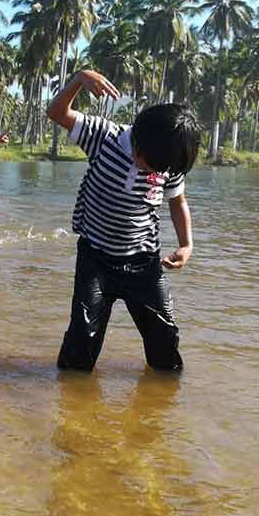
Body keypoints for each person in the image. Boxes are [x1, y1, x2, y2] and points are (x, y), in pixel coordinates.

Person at [46, 69, 201, 372]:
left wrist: (186, 244)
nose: (151, 170)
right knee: (81, 345)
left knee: (165, 343)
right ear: (138, 140)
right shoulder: (105, 137)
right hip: (95, 259)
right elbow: (56, 112)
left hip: (143, 262)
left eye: (159, 168)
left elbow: (177, 201)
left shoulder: (168, 159)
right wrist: (78, 80)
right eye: (147, 162)